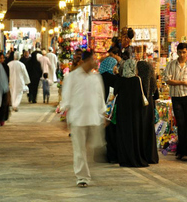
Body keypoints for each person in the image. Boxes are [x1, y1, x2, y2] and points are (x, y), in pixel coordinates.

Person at [61, 51, 106, 187]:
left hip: (93, 118)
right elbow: (66, 96)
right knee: (79, 150)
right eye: (93, 59)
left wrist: (103, 114)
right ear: (87, 60)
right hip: (78, 119)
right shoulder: (72, 77)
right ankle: (82, 177)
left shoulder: (95, 78)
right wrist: (65, 114)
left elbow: (100, 97)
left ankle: (85, 169)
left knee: (94, 146)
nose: (95, 62)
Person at [114, 59, 149, 167]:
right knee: (135, 134)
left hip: (123, 113)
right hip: (135, 114)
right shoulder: (136, 80)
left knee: (124, 135)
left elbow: (114, 93)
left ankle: (124, 158)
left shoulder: (120, 80)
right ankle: (135, 157)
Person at [137, 60, 159, 164]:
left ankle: (142, 155)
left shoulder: (137, 82)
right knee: (149, 130)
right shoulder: (152, 81)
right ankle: (151, 156)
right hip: (149, 105)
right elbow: (156, 95)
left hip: (140, 107)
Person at [0, 52, 10, 126]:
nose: (2, 59)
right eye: (0, 58)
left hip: (3, 88)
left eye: (3, 58)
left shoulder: (5, 66)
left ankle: (2, 119)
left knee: (3, 104)